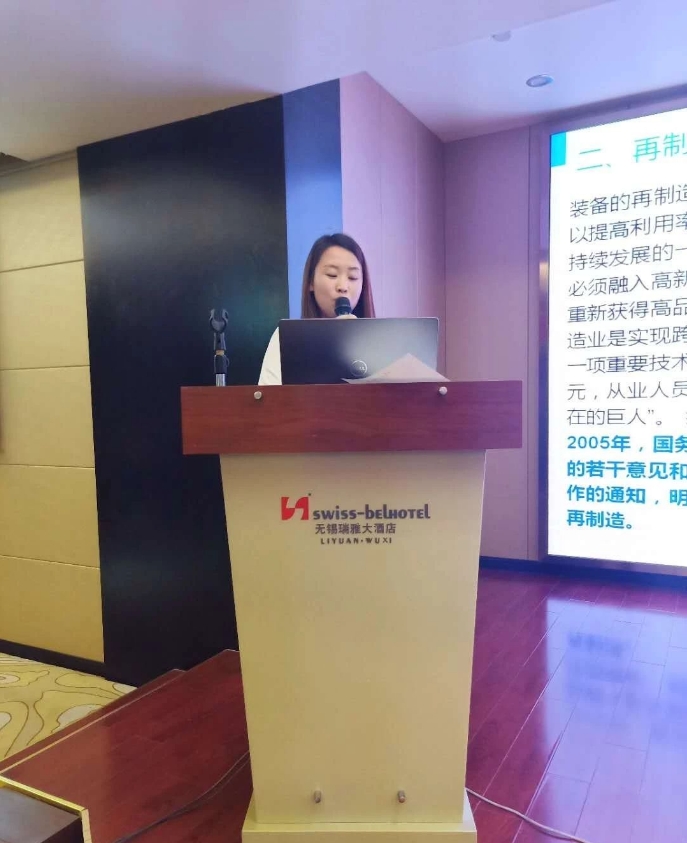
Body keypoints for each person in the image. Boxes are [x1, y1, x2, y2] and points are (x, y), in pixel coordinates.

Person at [258, 233, 376, 385]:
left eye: (352, 277)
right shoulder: (287, 338)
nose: (343, 287)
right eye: (332, 275)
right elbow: (269, 396)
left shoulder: (376, 340)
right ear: (311, 282)